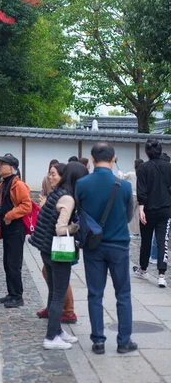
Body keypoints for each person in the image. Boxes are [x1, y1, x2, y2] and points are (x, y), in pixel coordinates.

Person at [76, 142, 136, 355]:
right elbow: (129, 215)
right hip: (119, 244)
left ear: (92, 158)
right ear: (114, 158)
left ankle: (98, 341)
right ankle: (124, 341)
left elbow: (80, 213)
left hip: (94, 246)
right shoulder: (125, 186)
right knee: (123, 294)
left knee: (95, 293)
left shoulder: (82, 184)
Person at [29, 162, 87, 350]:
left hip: (45, 248)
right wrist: (77, 227)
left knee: (54, 292)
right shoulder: (68, 198)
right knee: (58, 295)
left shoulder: (57, 193)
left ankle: (58, 331)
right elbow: (61, 229)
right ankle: (51, 337)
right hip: (58, 251)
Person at [36, 162, 78, 325]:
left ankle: (66, 313)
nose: (50, 177)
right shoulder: (57, 194)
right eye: (49, 173)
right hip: (49, 243)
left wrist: (76, 227)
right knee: (49, 276)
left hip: (60, 244)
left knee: (58, 284)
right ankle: (54, 313)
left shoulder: (66, 197)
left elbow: (60, 227)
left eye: (53, 174)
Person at [0, 154, 31, 308]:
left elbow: (26, 206)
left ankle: (17, 296)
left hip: (16, 228)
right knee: (7, 263)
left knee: (14, 263)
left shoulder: (19, 185)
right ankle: (11, 293)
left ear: (11, 168)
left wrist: (9, 214)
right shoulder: (6, 183)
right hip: (8, 227)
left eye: (2, 164)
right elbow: (8, 204)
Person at [133, 138, 171, 287]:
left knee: (146, 239)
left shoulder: (143, 168)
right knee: (162, 241)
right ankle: (162, 275)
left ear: (146, 152)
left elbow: (141, 190)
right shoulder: (169, 167)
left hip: (148, 209)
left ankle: (143, 269)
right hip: (166, 209)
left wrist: (141, 209)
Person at [117, 158, 144, 237]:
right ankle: (138, 232)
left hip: (133, 196)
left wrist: (120, 173)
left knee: (131, 213)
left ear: (135, 165)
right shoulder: (144, 173)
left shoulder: (131, 174)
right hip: (141, 196)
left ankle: (132, 232)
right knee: (138, 214)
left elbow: (122, 177)